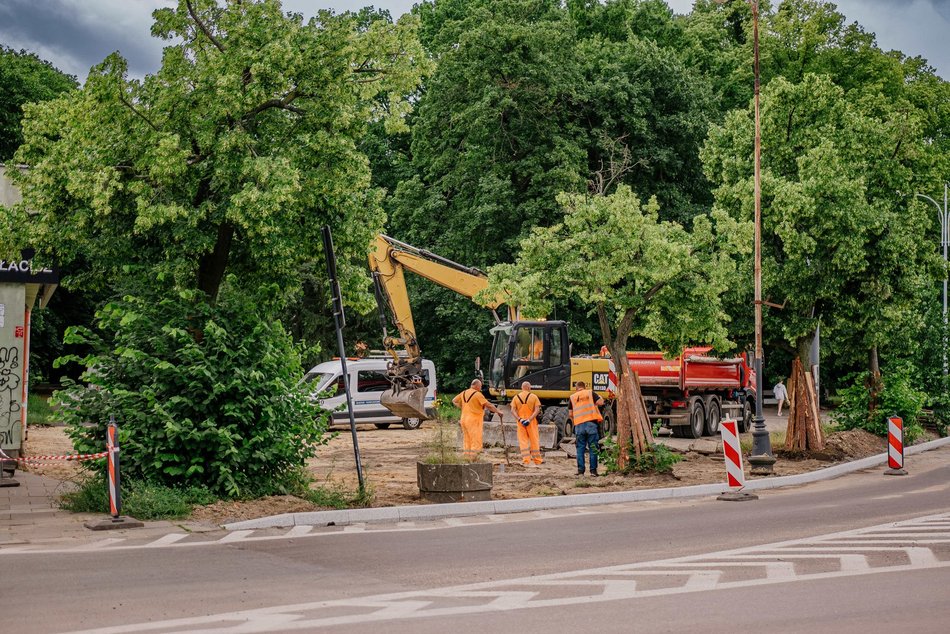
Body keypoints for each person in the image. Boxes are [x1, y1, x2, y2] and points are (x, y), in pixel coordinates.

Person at [452, 379, 500, 461]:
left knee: (467, 439)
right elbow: (488, 405)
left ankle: (467, 456)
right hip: (473, 420)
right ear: (477, 386)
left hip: (464, 419)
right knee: (475, 439)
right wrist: (498, 411)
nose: (481, 388)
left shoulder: (464, 392)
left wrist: (462, 407)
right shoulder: (478, 395)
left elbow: (454, 401)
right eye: (480, 386)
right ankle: (474, 457)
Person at [568, 380, 605, 476]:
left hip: (579, 426)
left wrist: (576, 421)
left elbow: (570, 414)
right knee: (593, 448)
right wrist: (600, 396)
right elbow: (600, 402)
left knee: (580, 448)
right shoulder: (590, 393)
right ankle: (593, 471)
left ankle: (580, 471)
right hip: (591, 425)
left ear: (576, 388)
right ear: (584, 387)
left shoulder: (572, 397)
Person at [512, 381, 543, 465]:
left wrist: (519, 419)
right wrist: (529, 419)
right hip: (531, 422)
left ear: (522, 388)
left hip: (520, 423)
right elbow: (537, 410)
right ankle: (537, 460)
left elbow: (513, 410)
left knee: (523, 441)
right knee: (534, 440)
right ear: (529, 388)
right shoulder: (534, 397)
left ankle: (526, 460)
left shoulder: (516, 397)